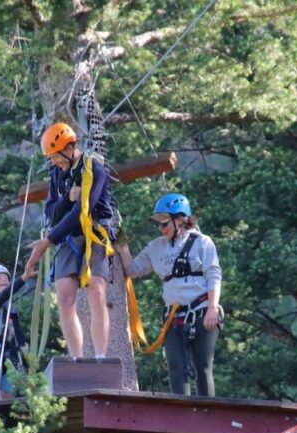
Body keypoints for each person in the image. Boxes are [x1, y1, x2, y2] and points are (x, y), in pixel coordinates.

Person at [25, 122, 116, 360]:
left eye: (56, 157)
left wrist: (48, 241)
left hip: (95, 232)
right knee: (65, 295)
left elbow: (82, 213)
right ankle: (77, 358)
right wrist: (67, 196)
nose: (54, 162)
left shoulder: (93, 169)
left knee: (96, 289)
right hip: (67, 236)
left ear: (69, 148)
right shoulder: (57, 174)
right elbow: (51, 212)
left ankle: (99, 356)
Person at [118, 193, 222, 396]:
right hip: (174, 317)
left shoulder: (203, 242)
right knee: (176, 366)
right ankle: (182, 418)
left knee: (203, 366)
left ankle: (207, 414)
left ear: (181, 219)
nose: (160, 228)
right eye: (158, 225)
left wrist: (212, 307)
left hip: (202, 311)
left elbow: (213, 274)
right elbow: (132, 269)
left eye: (164, 224)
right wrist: (121, 244)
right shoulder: (156, 247)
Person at [0, 263, 36, 400]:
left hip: (14, 356)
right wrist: (24, 278)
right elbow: (5, 294)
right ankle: (4, 414)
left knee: (23, 396)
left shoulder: (9, 308)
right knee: (7, 395)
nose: (4, 280)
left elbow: (18, 335)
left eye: (5, 278)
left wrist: (28, 359)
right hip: (0, 356)